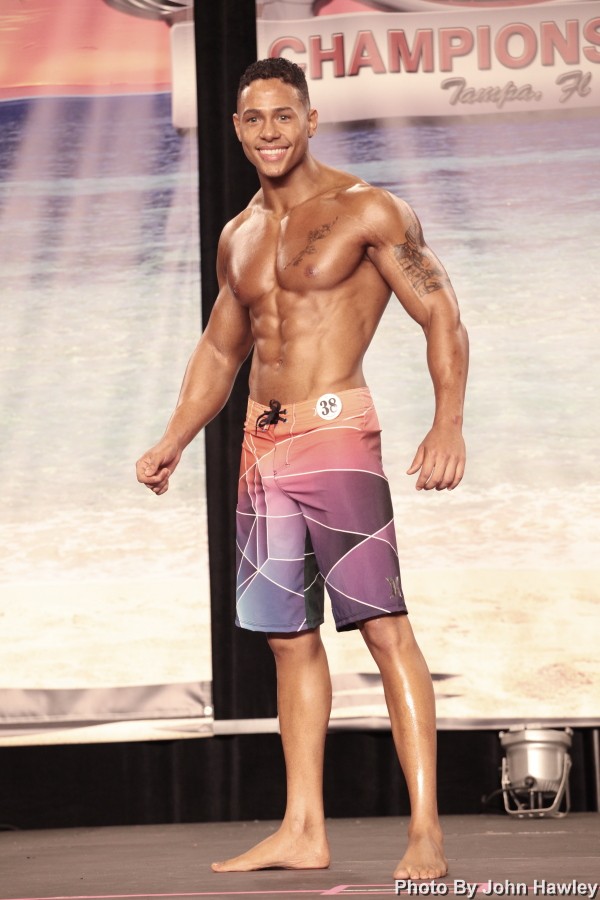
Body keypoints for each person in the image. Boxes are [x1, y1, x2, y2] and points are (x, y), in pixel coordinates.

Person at [136, 57, 468, 880]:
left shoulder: (368, 209)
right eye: (254, 119)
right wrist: (175, 437)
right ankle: (302, 828)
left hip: (335, 434)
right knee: (287, 639)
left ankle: (425, 830)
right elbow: (222, 350)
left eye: (284, 116)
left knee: (383, 626)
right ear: (237, 129)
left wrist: (448, 423)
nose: (270, 132)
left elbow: (441, 314)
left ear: (311, 120)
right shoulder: (240, 234)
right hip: (261, 447)